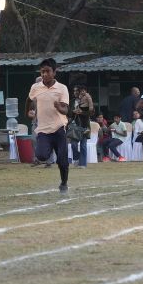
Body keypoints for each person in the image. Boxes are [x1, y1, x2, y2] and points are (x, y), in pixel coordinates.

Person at [26, 58, 70, 193]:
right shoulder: (36, 87)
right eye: (42, 71)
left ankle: (63, 183)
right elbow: (29, 99)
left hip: (59, 128)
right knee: (42, 156)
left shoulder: (62, 88)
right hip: (43, 130)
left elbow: (66, 110)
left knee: (62, 162)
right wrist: (28, 111)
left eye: (47, 71)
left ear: (54, 72)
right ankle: (48, 146)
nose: (44, 74)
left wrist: (58, 107)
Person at [70, 84, 94, 168]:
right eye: (74, 90)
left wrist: (82, 112)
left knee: (83, 145)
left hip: (84, 125)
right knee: (73, 145)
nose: (75, 92)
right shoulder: (72, 101)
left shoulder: (86, 99)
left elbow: (92, 112)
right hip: (74, 126)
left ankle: (83, 164)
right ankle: (76, 158)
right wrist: (72, 113)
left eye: (77, 90)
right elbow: (70, 114)